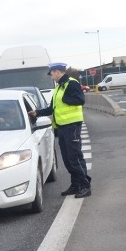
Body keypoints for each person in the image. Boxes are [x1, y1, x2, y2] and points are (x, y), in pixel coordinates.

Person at [28, 62, 91, 198]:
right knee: (68, 159)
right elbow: (52, 109)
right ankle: (75, 185)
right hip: (62, 127)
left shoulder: (71, 83)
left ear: (57, 71)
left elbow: (80, 99)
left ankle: (85, 186)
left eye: (51, 73)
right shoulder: (58, 88)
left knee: (75, 157)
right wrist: (36, 113)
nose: (51, 77)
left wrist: (66, 98)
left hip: (72, 126)